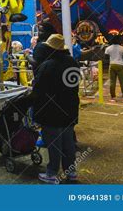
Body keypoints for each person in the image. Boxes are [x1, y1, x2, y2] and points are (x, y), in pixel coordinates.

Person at [32, 34, 79, 184]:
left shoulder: (48, 65)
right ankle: (71, 172)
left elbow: (38, 89)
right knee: (68, 142)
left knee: (54, 143)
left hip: (51, 111)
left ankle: (52, 173)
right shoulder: (73, 63)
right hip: (69, 109)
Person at [104, 35, 123, 102]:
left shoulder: (108, 48)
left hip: (112, 65)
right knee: (122, 82)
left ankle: (113, 97)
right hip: (120, 65)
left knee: (112, 82)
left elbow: (105, 59)